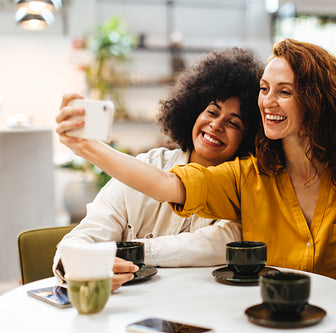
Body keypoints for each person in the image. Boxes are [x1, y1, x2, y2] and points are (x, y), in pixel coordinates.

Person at [57, 39, 336, 331]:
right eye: (264, 89)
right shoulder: (249, 175)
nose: (268, 102)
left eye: (284, 92)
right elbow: (165, 185)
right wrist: (87, 146)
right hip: (270, 327)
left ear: (316, 100)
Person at [53, 47, 263, 291]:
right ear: (193, 112)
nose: (216, 125)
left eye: (233, 123)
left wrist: (125, 251)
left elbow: (216, 245)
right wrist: (81, 267)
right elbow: (82, 237)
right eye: (212, 112)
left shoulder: (241, 188)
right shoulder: (145, 166)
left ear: (248, 137)